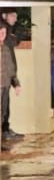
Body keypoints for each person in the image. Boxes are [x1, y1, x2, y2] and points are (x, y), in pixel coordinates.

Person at [0, 10, 22, 144]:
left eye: (4, 33)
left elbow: (10, 68)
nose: (2, 35)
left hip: (5, 84)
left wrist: (16, 83)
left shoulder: (6, 49)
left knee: (3, 112)